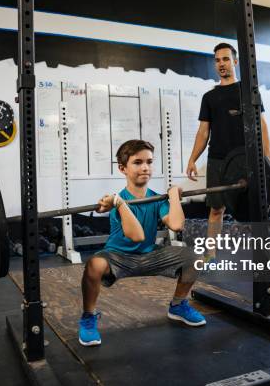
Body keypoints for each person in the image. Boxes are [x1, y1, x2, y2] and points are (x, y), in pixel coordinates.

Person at [79, 139, 204, 347]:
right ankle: (88, 317)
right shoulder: (118, 200)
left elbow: (176, 224)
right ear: (123, 169)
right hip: (118, 257)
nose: (145, 167)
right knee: (94, 264)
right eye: (137, 162)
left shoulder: (156, 199)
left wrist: (173, 197)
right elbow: (135, 235)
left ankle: (178, 305)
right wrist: (118, 203)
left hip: (150, 255)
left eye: (149, 161)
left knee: (195, 257)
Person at [186, 42, 270, 262]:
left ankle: (260, 253)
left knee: (253, 209)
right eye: (217, 60)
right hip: (218, 159)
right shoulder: (210, 97)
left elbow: (261, 125)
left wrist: (268, 158)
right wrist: (192, 159)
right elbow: (203, 132)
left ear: (235, 61)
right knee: (216, 210)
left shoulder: (248, 91)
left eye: (225, 59)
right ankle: (210, 254)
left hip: (246, 160)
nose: (221, 64)